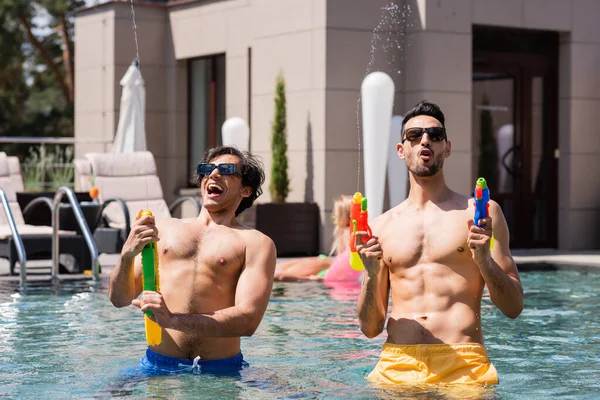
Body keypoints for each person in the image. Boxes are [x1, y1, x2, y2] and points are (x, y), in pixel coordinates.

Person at [356, 100, 523, 386]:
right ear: (401, 150)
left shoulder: (481, 214)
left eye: (435, 136)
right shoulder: (381, 227)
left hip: (464, 365)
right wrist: (372, 275)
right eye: (414, 135)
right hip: (397, 363)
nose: (425, 141)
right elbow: (370, 328)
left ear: (447, 147)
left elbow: (513, 307)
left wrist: (484, 260)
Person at [108, 145, 277, 376]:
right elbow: (119, 299)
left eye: (226, 170)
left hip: (222, 373)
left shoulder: (255, 243)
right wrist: (127, 255)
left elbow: (248, 320)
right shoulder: (163, 229)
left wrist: (173, 320)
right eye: (207, 169)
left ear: (245, 190)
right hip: (156, 367)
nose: (214, 175)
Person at [273, 194, 362, 283]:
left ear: (345, 218)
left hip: (325, 267)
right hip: (326, 265)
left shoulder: (347, 232)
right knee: (279, 270)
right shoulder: (351, 233)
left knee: (278, 274)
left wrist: (312, 279)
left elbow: (348, 262)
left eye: (336, 216)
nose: (335, 220)